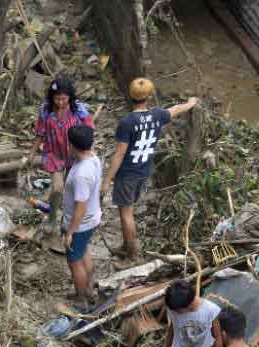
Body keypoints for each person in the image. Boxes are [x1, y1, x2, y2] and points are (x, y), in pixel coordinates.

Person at [102, 77, 198, 263]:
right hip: (144, 171)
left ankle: (133, 255)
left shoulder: (128, 122)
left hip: (127, 173)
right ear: (148, 96)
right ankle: (126, 245)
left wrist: (106, 180)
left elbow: (119, 154)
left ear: (131, 95)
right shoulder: (157, 115)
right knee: (129, 209)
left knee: (126, 213)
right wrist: (190, 103)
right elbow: (176, 109)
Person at [30, 76, 95, 233]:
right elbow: (40, 133)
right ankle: (52, 218)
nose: (60, 103)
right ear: (51, 97)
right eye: (57, 99)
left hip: (74, 154)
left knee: (69, 189)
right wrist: (32, 153)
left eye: (64, 99)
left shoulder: (78, 110)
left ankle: (68, 221)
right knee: (57, 189)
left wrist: (89, 151)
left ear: (70, 97)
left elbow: (89, 130)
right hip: (54, 154)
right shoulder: (45, 110)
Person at [62, 125, 103, 305]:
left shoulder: (81, 174)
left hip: (81, 223)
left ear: (71, 145)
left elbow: (81, 206)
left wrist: (70, 232)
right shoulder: (93, 158)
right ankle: (89, 289)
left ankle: (81, 299)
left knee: (74, 261)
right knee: (83, 251)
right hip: (92, 219)